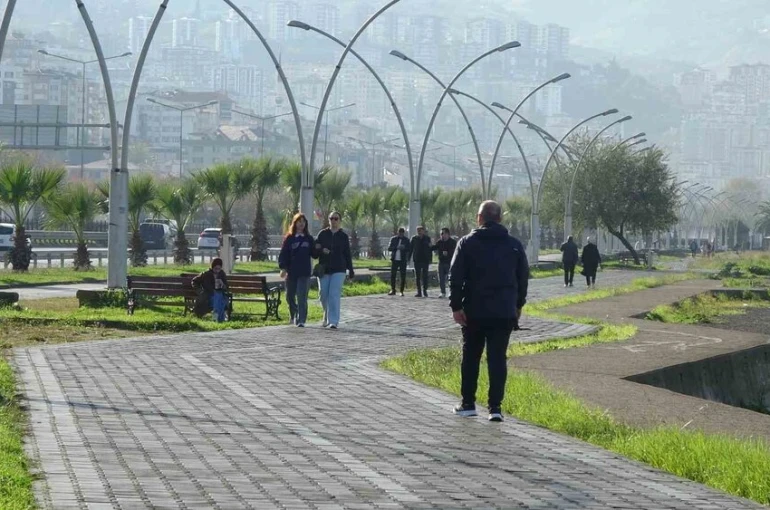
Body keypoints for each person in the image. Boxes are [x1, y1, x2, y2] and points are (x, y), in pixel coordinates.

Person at [450, 200, 529, 423]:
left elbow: (455, 277)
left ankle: (468, 404)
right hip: (504, 311)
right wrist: (518, 305)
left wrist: (456, 306)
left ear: (479, 218)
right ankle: (495, 408)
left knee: (471, 357)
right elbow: (523, 278)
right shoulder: (514, 245)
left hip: (474, 311)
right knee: (497, 359)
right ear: (500, 219)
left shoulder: (467, 242)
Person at [315, 211, 354, 329]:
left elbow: (347, 254)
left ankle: (333, 321)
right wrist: (321, 250)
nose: (333, 221)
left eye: (336, 218)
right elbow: (315, 250)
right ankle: (326, 314)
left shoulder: (343, 236)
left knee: (334, 294)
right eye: (331, 218)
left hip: (339, 269)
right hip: (324, 268)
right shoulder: (322, 234)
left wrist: (351, 270)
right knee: (323, 294)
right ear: (328, 220)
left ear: (340, 221)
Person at [279, 213, 314, 327]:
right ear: (295, 223)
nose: (301, 224)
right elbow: (283, 254)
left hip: (304, 272)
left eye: (303, 222)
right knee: (289, 296)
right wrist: (283, 267)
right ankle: (293, 314)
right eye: (299, 221)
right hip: (292, 272)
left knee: (301, 296)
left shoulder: (308, 238)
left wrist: (319, 249)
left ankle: (301, 319)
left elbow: (314, 253)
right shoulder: (289, 238)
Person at [192, 257, 228, 322]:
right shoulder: (206, 274)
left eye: (219, 269)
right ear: (212, 267)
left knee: (219, 298)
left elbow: (226, 287)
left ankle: (216, 319)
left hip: (220, 294)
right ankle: (219, 319)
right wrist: (199, 290)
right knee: (218, 299)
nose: (217, 270)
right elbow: (194, 281)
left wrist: (222, 284)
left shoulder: (222, 274)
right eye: (216, 268)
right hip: (209, 294)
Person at [432, 227, 457, 298]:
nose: (441, 235)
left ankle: (450, 292)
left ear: (447, 234)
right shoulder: (439, 242)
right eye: (441, 234)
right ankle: (442, 292)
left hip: (450, 262)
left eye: (443, 233)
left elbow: (455, 252)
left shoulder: (453, 242)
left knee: (450, 278)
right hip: (441, 262)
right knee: (441, 278)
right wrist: (430, 246)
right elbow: (434, 248)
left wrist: (448, 253)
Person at [409, 226, 432, 297]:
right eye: (418, 230)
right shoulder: (414, 238)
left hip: (425, 259)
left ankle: (425, 290)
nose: (419, 232)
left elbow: (430, 249)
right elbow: (410, 249)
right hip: (417, 259)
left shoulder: (427, 238)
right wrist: (408, 258)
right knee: (418, 276)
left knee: (425, 276)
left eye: (420, 230)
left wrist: (430, 259)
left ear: (423, 231)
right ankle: (419, 292)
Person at [387, 227, 410, 296]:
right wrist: (396, 247)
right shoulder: (393, 239)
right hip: (395, 260)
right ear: (398, 232)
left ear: (404, 233)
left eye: (402, 233)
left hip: (402, 260)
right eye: (400, 233)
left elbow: (409, 249)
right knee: (393, 275)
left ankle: (401, 291)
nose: (401, 234)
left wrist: (404, 248)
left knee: (403, 275)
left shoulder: (406, 240)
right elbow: (389, 248)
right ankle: (393, 290)